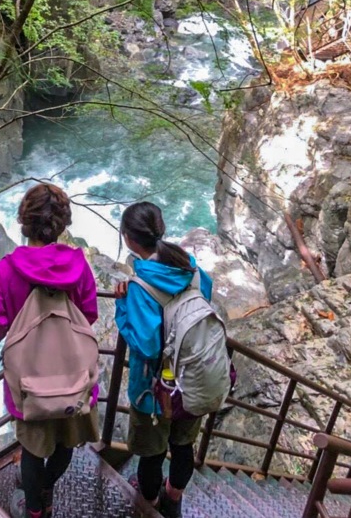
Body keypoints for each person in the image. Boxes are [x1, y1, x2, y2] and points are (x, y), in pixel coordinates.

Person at [0, 183, 100, 518]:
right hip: (74, 376)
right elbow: (88, 315)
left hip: (30, 384)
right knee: (65, 444)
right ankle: (46, 490)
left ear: (23, 221)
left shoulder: (4, 270)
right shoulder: (79, 267)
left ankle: (33, 510)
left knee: (32, 451)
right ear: (61, 224)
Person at [113, 202, 213, 518]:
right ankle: (174, 497)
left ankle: (152, 505)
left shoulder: (140, 288)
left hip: (156, 391)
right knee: (183, 447)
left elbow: (146, 344)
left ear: (128, 239)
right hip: (196, 377)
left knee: (152, 455)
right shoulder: (196, 273)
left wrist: (122, 305)